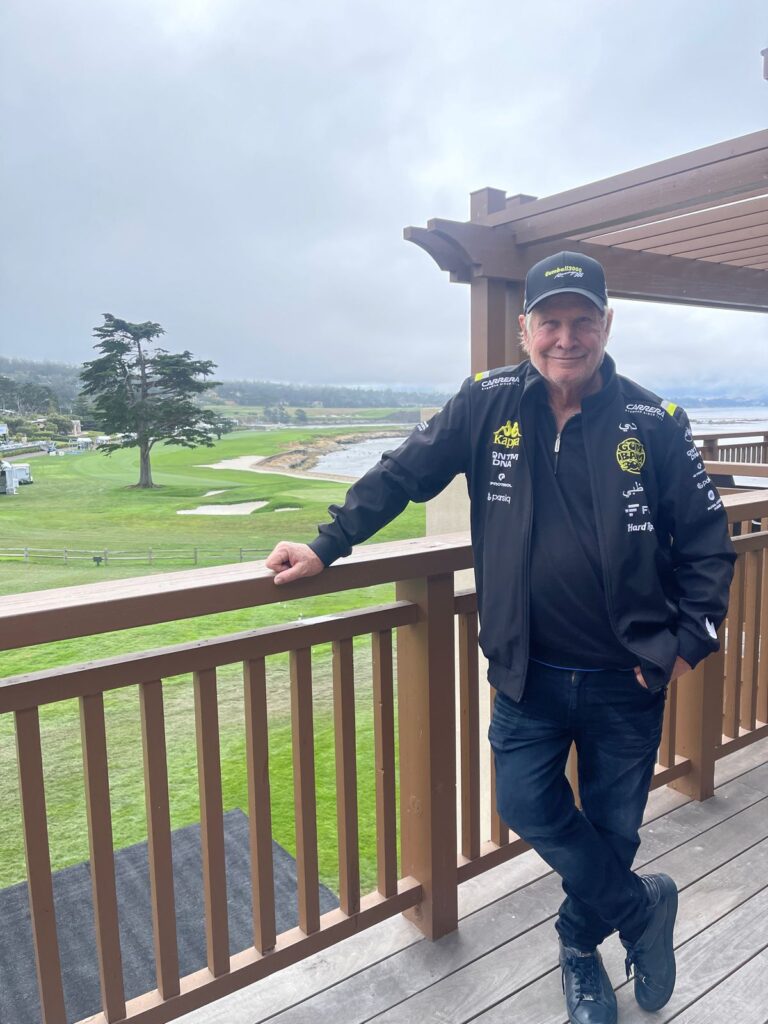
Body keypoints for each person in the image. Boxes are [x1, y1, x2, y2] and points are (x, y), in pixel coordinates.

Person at [265, 251, 735, 1024]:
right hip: (527, 674)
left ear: (607, 326)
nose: (565, 336)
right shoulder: (486, 403)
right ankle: (641, 907)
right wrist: (328, 543)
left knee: (613, 829)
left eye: (582, 320)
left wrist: (685, 646)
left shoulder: (656, 422)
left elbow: (709, 544)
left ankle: (579, 951)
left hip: (629, 676)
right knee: (526, 804)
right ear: (524, 330)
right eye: (549, 321)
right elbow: (404, 472)